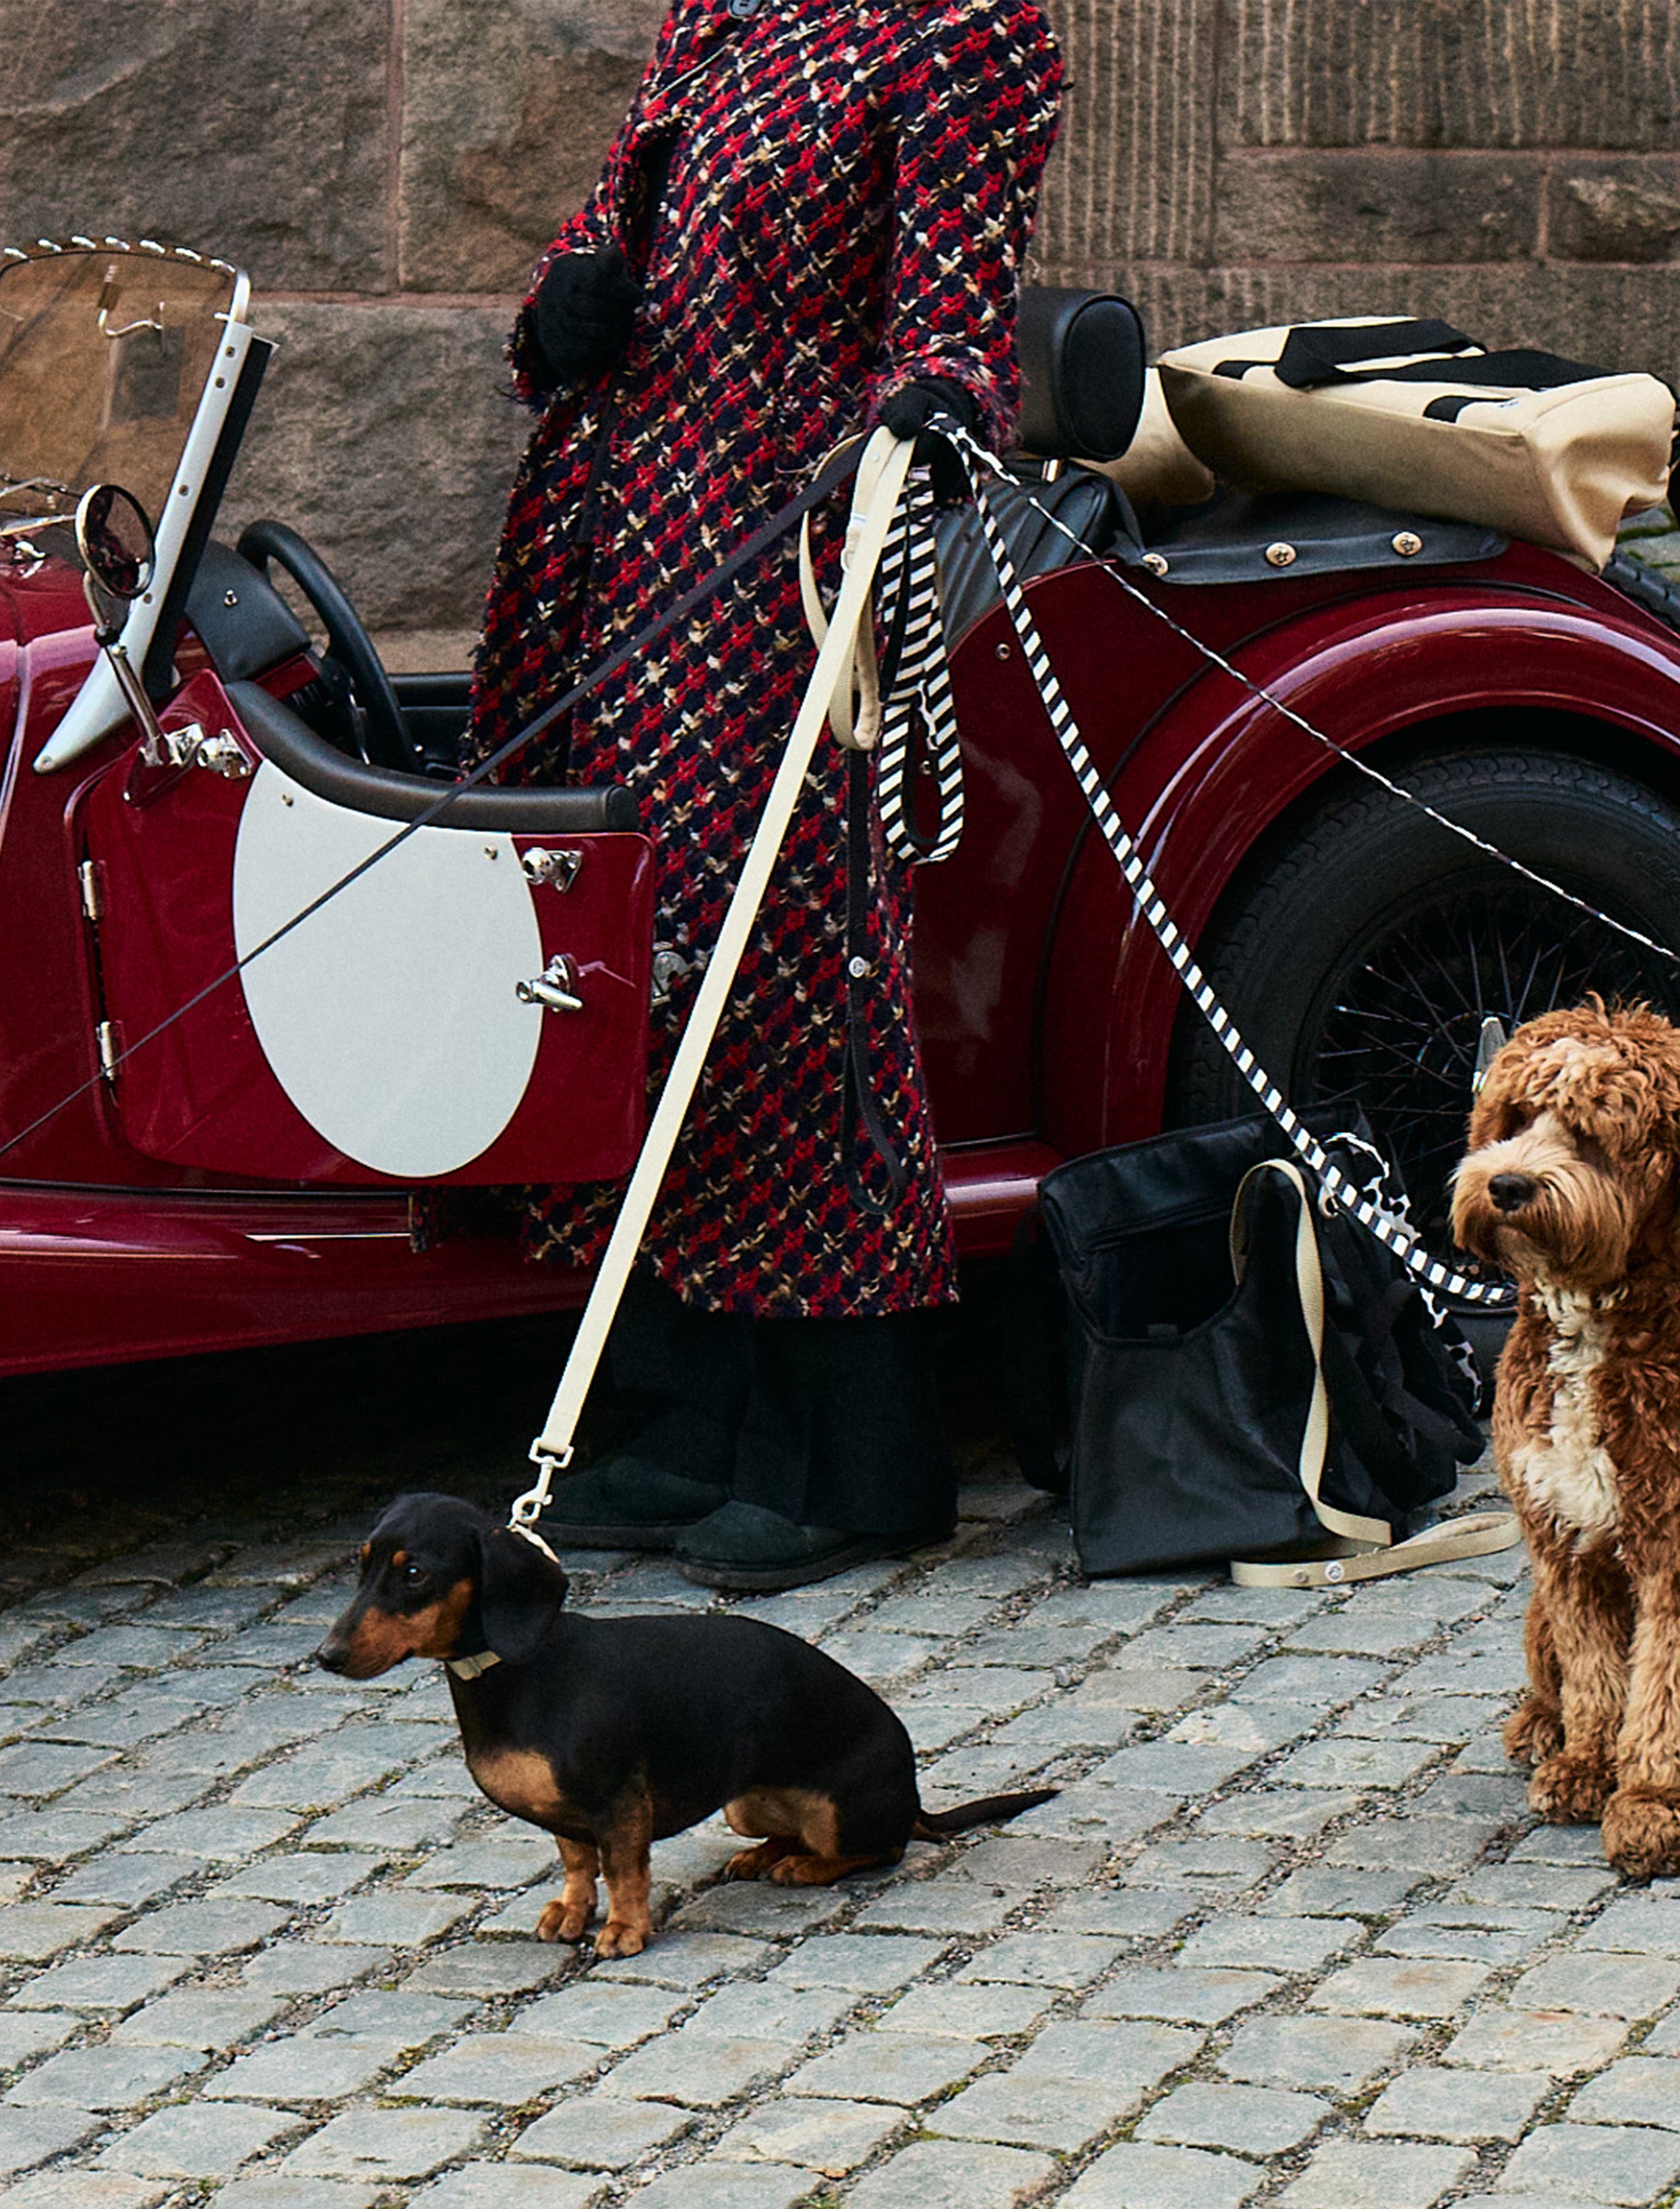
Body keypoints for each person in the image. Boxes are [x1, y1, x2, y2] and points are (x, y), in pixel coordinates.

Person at [470, 0, 1062, 1591]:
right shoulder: (721, 21)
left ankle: (855, 1452)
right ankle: (685, 1414)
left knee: (790, 966)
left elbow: (953, 302)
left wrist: (933, 402)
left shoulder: (960, 31)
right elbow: (607, 228)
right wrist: (566, 309)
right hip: (618, 548)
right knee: (644, 973)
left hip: (771, 558)